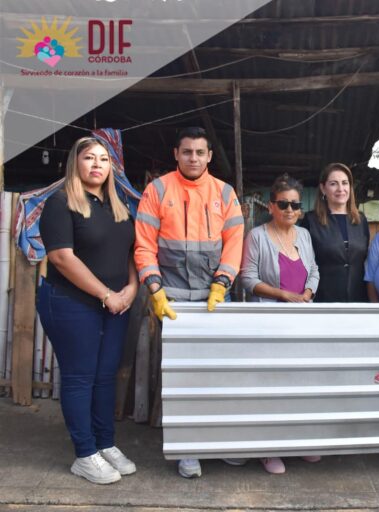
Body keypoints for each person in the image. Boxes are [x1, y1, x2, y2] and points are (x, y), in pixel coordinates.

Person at [134, 127, 244, 478]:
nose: (193, 158)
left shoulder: (225, 193)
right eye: (187, 152)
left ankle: (220, 442)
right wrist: (154, 289)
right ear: (176, 154)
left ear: (209, 156)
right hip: (174, 300)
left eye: (200, 152)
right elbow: (143, 244)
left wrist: (222, 283)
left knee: (220, 374)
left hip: (215, 298)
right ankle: (188, 450)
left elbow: (235, 243)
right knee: (180, 376)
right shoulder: (158, 190)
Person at [37, 136, 138, 484]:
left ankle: (105, 443)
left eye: (103, 159)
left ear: (112, 168)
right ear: (75, 164)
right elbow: (62, 258)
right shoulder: (60, 202)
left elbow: (129, 254)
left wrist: (131, 289)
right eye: (89, 158)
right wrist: (107, 294)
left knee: (105, 376)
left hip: (115, 304)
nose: (97, 164)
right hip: (71, 302)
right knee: (80, 378)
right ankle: (84, 453)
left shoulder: (118, 205)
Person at [239, 173, 321, 474]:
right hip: (269, 322)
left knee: (301, 385)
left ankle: (298, 443)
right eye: (283, 204)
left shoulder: (304, 235)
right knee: (271, 385)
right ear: (271, 206)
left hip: (301, 321)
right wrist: (283, 294)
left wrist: (307, 294)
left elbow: (314, 270)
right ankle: (267, 447)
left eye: (295, 205)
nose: (289, 210)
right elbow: (247, 279)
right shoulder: (257, 236)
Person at [300, 163, 369, 302]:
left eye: (345, 183)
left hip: (358, 298)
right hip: (323, 298)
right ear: (323, 188)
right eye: (333, 184)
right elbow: (303, 263)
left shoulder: (361, 220)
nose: (340, 189)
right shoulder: (311, 220)